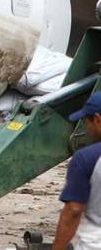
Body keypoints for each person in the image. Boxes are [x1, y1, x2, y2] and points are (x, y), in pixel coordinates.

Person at [53, 92, 101, 250]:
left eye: (86, 122)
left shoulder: (86, 158)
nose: (86, 129)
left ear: (97, 119)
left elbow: (73, 210)